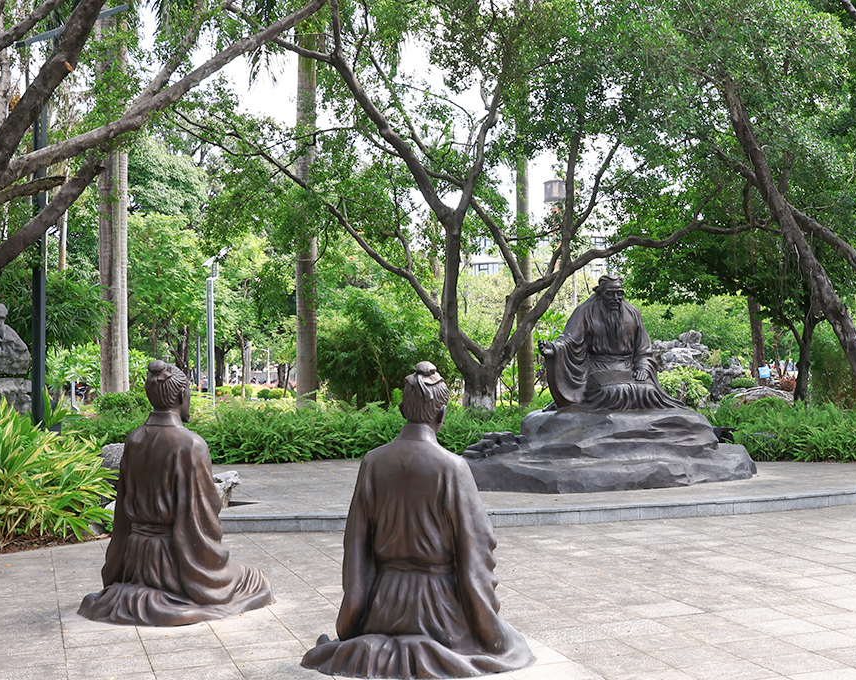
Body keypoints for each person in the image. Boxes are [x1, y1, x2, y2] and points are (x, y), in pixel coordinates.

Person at [302, 362, 535, 677]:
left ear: (402, 410)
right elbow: (476, 556)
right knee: (513, 644)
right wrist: (489, 628)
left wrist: (350, 621)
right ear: (442, 414)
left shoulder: (373, 463)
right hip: (441, 612)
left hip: (383, 609)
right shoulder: (452, 468)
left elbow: (355, 549)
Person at [78, 361, 274, 626]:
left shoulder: (134, 440)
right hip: (177, 561)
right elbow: (201, 521)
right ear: (182, 395)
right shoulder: (190, 444)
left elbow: (122, 514)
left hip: (135, 558)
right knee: (255, 580)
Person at [540, 276, 680, 411]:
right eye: (610, 294)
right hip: (598, 367)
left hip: (628, 368)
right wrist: (554, 348)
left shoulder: (632, 313)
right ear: (600, 293)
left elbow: (643, 348)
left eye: (619, 294)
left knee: (648, 391)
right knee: (612, 392)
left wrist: (643, 368)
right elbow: (569, 339)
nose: (616, 298)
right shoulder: (585, 311)